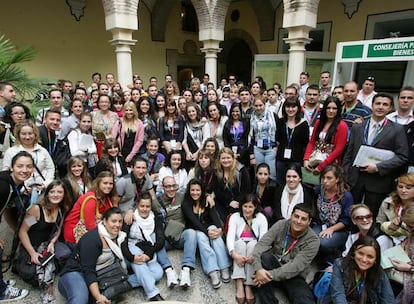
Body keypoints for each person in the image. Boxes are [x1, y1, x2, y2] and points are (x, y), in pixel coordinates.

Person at [343, 93, 409, 217]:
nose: (380, 107)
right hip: (355, 180)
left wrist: (379, 167)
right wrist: (347, 175)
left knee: (370, 215)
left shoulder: (397, 129)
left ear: (390, 108)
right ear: (372, 105)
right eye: (378, 103)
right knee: (351, 213)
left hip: (378, 181)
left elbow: (402, 156)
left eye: (385, 105)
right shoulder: (358, 127)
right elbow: (349, 154)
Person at [252, 203, 320, 304]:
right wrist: (258, 269)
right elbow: (261, 245)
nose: (298, 221)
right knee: (265, 257)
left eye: (303, 219)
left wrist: (267, 275)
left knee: (306, 300)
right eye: (296, 216)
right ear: (291, 216)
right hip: (274, 266)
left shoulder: (313, 240)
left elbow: (296, 267)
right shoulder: (281, 224)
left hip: (294, 275)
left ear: (309, 222)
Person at [58, 207, 127, 304]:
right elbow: (88, 271)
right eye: (114, 221)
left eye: (120, 221)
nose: (117, 225)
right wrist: (98, 296)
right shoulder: (92, 240)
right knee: (80, 299)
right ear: (105, 221)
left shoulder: (119, 236)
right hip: (76, 273)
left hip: (100, 274)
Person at [18, 180, 70, 303]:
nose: (56, 195)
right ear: (47, 194)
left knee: (65, 254)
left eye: (59, 192)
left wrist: (52, 242)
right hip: (32, 245)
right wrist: (32, 253)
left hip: (48, 245)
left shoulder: (62, 209)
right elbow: (23, 232)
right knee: (31, 273)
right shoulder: (36, 210)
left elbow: (58, 230)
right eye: (52, 191)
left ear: (64, 194)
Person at [2, 120, 55, 226]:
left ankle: (34, 235)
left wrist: (46, 184)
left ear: (35, 134)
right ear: (18, 135)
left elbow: (50, 168)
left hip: (41, 193)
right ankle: (23, 237)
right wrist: (22, 188)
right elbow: (6, 173)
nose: (27, 137)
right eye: (24, 134)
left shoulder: (42, 151)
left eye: (30, 133)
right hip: (21, 194)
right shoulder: (11, 152)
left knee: (37, 218)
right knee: (23, 220)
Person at [181, 179, 231, 289]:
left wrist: (219, 229)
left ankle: (224, 267)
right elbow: (194, 221)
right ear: (189, 191)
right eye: (192, 190)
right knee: (200, 236)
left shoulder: (207, 200)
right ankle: (212, 271)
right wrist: (207, 232)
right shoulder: (186, 203)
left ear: (202, 190)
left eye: (197, 190)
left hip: (209, 227)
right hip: (196, 229)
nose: (195, 193)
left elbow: (214, 215)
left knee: (215, 233)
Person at [0, 151, 34, 301]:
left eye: (28, 166)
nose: (24, 170)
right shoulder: (4, 187)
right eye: (20, 166)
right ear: (12, 167)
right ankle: (2, 292)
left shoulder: (13, 183)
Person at [321, 235, 395, 304]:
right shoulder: (340, 265)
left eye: (370, 257)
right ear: (354, 252)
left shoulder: (379, 274)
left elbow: (389, 300)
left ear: (376, 259)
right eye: (361, 253)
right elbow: (338, 295)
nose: (364, 259)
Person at [121, 193, 165, 301]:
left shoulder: (155, 218)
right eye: (142, 206)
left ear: (151, 207)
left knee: (158, 273)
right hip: (131, 247)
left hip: (147, 250)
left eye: (147, 206)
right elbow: (123, 241)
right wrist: (132, 257)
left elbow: (160, 241)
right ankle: (153, 294)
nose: (145, 209)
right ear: (137, 206)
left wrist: (148, 254)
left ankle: (121, 283)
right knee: (139, 260)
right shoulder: (130, 218)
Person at [226, 194, 268, 304]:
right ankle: (239, 281)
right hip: (238, 248)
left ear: (255, 207)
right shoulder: (235, 216)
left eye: (250, 207)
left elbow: (263, 240)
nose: (247, 209)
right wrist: (234, 254)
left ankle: (249, 284)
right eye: (245, 206)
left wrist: (255, 255)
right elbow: (230, 236)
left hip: (253, 249)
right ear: (241, 206)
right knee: (240, 243)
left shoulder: (261, 218)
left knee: (252, 244)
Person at [63, 171, 116, 246]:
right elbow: (90, 225)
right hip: (75, 233)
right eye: (105, 183)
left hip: (94, 231)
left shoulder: (106, 198)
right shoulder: (91, 198)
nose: (108, 186)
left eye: (111, 184)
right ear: (98, 183)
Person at [313, 164, 353, 261]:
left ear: (337, 179)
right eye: (323, 178)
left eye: (329, 178)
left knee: (323, 242)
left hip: (340, 229)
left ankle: (334, 256)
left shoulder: (346, 196)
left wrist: (331, 229)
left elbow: (346, 220)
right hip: (323, 224)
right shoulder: (319, 190)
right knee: (311, 239)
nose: (325, 181)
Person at [304, 96, 348, 174]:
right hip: (313, 162)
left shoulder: (342, 126)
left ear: (338, 110)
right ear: (324, 109)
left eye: (334, 108)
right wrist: (306, 159)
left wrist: (321, 167)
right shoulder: (318, 122)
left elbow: (339, 150)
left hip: (330, 166)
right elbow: (312, 142)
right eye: (328, 108)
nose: (331, 111)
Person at [275, 97, 309, 185]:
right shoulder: (280, 121)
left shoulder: (303, 124)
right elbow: (277, 139)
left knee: (294, 185)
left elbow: (306, 144)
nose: (290, 109)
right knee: (280, 184)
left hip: (296, 160)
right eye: (288, 107)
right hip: (281, 159)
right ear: (284, 108)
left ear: (298, 108)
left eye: (293, 107)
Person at [214, 147, 251, 222]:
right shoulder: (217, 172)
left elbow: (246, 190)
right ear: (219, 160)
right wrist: (229, 202)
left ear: (233, 158)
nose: (226, 160)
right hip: (224, 202)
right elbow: (217, 191)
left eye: (228, 158)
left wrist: (238, 203)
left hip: (240, 202)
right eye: (223, 158)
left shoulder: (241, 170)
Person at [377, 173, 414, 243]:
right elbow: (379, 222)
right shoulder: (388, 202)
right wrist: (391, 227)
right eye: (400, 187)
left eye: (408, 188)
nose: (403, 191)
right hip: (390, 238)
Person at [390, 204, 414, 303]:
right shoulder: (410, 230)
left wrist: (409, 268)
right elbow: (385, 227)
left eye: (410, 225)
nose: (408, 228)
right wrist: (394, 225)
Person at [67, 112, 97, 177]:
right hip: (76, 166)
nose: (86, 124)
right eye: (84, 121)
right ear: (79, 121)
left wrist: (86, 150)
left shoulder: (89, 133)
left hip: (88, 164)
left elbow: (94, 149)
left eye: (89, 122)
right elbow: (74, 153)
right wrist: (88, 152)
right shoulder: (74, 133)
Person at [182, 102, 210, 170]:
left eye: (193, 111)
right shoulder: (186, 124)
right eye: (189, 112)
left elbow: (206, 139)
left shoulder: (204, 123)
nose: (191, 113)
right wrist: (188, 152)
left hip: (202, 152)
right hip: (190, 153)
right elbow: (184, 140)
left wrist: (197, 153)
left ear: (197, 111)